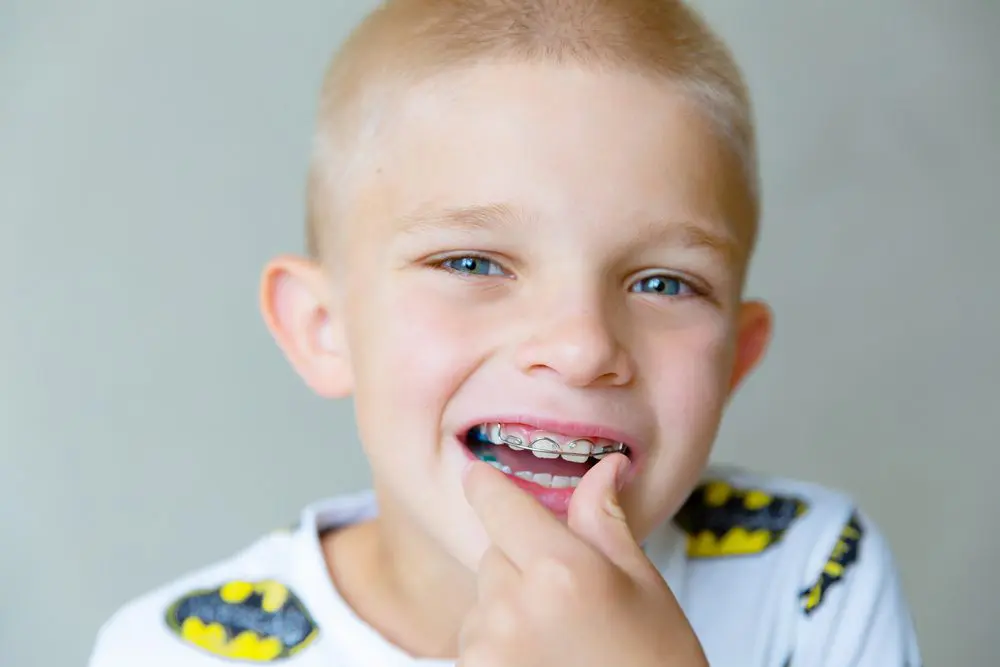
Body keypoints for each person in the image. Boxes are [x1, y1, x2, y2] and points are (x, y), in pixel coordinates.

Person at [88, 1, 922, 665]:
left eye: (664, 282)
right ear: (323, 328)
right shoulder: (163, 652)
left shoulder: (811, 575)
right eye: (474, 263)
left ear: (735, 360)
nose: (583, 344)